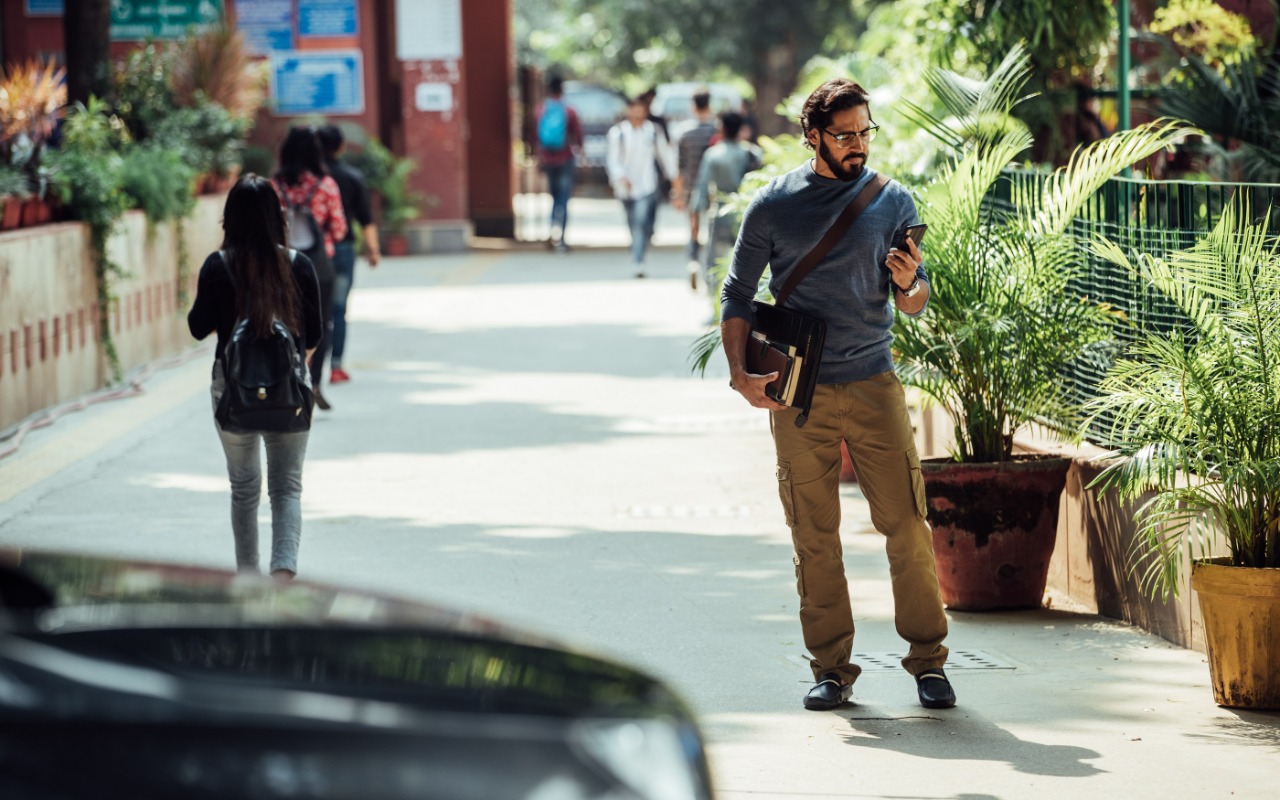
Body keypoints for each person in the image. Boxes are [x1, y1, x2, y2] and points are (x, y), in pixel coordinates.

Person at [718, 78, 955, 712]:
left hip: (875, 382)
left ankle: (928, 662)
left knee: (906, 525)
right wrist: (741, 376)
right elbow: (737, 294)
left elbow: (915, 296)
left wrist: (910, 286)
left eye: (865, 132)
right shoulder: (773, 206)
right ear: (814, 137)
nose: (858, 144)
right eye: (846, 134)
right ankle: (830, 668)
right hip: (798, 393)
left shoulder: (891, 200)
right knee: (813, 534)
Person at [187, 174, 323, 580]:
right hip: (289, 393)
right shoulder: (299, 265)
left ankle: (247, 580)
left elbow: (197, 327)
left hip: (232, 391)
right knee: (286, 488)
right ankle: (282, 574)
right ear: (276, 218)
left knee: (244, 489)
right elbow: (314, 336)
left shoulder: (217, 265)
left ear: (229, 219)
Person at [273, 126, 348, 411]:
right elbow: (339, 230)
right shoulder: (326, 185)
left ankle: (287, 377)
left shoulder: (274, 186)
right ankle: (313, 381)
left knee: (283, 322)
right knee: (321, 323)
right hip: (319, 267)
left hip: (282, 265)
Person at [316, 124, 381, 385]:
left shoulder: (308, 178)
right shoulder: (352, 176)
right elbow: (366, 217)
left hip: (314, 253)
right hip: (342, 250)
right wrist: (372, 249)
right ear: (341, 146)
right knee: (338, 310)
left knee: (315, 309)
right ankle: (336, 366)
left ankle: (312, 362)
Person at [689, 111, 761, 293]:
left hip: (720, 213)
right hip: (747, 212)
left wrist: (695, 220)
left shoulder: (713, 154)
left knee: (715, 261)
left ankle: (716, 303)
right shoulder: (753, 153)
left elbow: (702, 188)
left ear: (722, 128)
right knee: (744, 262)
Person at [606, 96, 677, 278]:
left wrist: (674, 179)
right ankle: (637, 249)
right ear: (628, 111)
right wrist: (621, 177)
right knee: (632, 222)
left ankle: (638, 260)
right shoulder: (618, 133)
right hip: (625, 188)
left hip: (647, 186)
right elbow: (612, 161)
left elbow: (665, 156)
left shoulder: (652, 132)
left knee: (640, 223)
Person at [673, 89, 718, 282]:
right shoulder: (717, 130)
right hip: (714, 188)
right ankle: (711, 269)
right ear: (709, 105)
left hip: (691, 187)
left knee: (694, 228)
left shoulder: (685, 132)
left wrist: (678, 193)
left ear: (693, 107)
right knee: (713, 228)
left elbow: (680, 166)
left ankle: (693, 261)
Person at [536, 74, 584, 253]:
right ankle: (562, 238)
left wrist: (539, 157)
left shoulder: (542, 110)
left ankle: (551, 232)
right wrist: (581, 153)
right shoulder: (568, 110)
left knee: (554, 197)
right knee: (563, 198)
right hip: (565, 159)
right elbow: (578, 136)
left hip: (548, 159)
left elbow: (534, 137)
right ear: (562, 89)